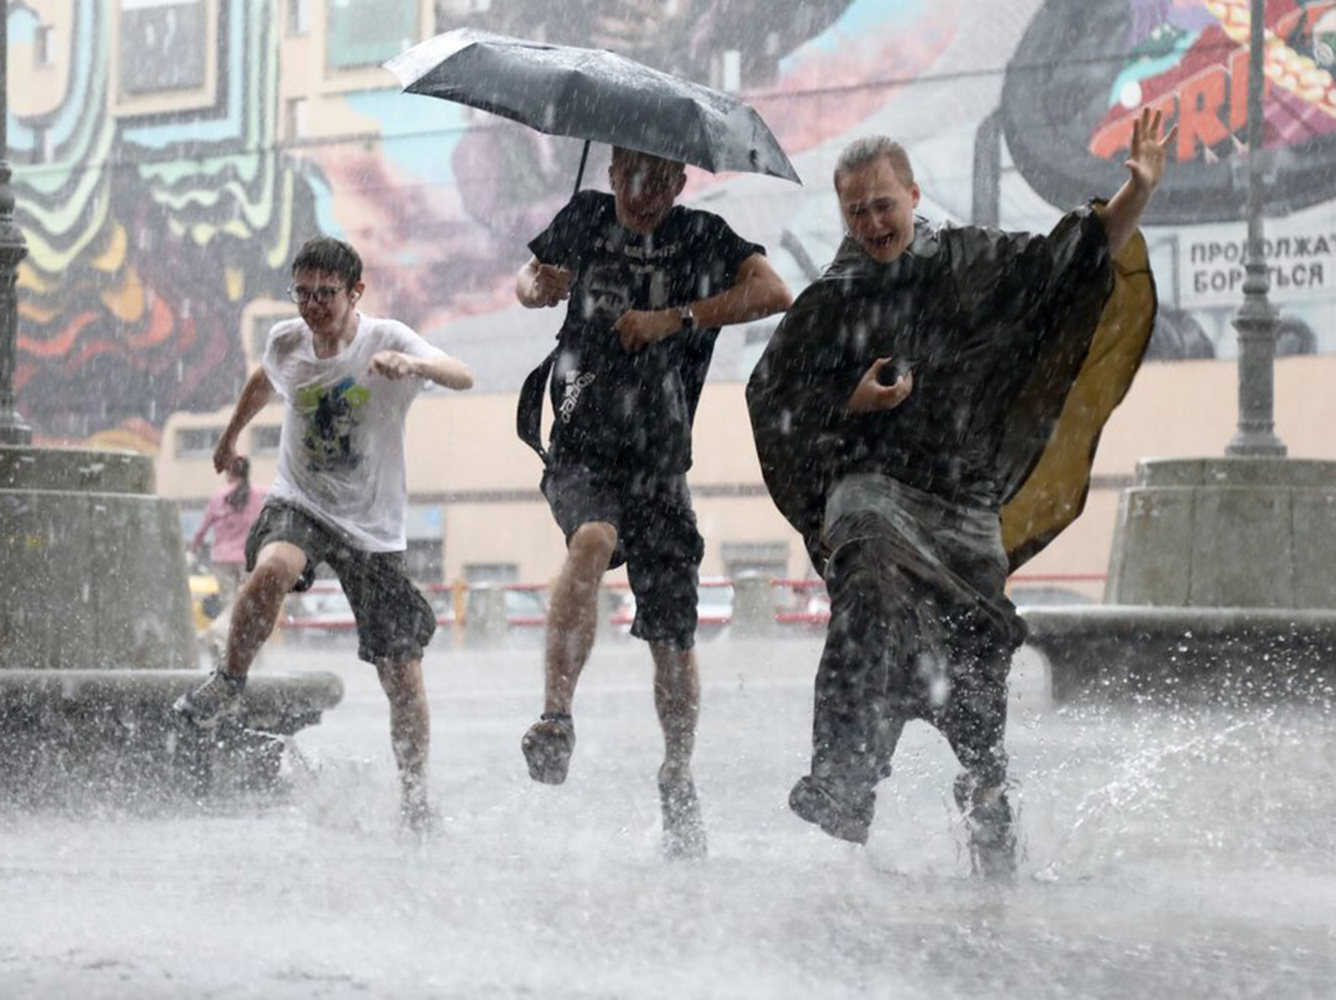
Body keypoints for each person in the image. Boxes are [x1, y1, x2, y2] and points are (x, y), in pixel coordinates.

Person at [746, 108, 1174, 875]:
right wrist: (851, 400)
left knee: (976, 692)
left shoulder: (973, 263)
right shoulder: (832, 301)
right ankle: (844, 777)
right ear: (843, 216)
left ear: (913, 194)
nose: (874, 222)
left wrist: (1134, 192)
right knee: (868, 564)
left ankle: (989, 815)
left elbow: (1067, 263)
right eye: (856, 210)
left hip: (962, 503)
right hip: (871, 488)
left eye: (884, 203)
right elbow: (772, 397)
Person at [514, 146, 792, 858]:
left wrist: (679, 318)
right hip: (582, 445)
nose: (644, 192)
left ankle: (677, 771)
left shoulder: (703, 236)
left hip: (662, 461)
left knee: (672, 639)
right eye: (632, 176)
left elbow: (774, 292)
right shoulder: (584, 217)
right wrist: (536, 285)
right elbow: (528, 279)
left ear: (681, 181)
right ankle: (555, 717)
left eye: (661, 179)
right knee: (592, 539)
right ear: (610, 174)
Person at [174, 237, 474, 832]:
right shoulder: (287, 340)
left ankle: (415, 799)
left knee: (402, 675)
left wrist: (414, 366)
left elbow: (462, 374)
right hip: (301, 501)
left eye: (326, 294)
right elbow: (266, 379)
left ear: (355, 292)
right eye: (303, 292)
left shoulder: (387, 339)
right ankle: (230, 681)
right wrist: (230, 434)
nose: (313, 306)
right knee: (272, 569)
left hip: (372, 526)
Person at [190, 456, 268, 662]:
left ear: (230, 473)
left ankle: (224, 642)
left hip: (221, 558)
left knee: (231, 602)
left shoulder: (219, 496)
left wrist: (193, 549)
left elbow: (203, 528)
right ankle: (223, 636)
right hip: (248, 558)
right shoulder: (260, 494)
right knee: (249, 603)